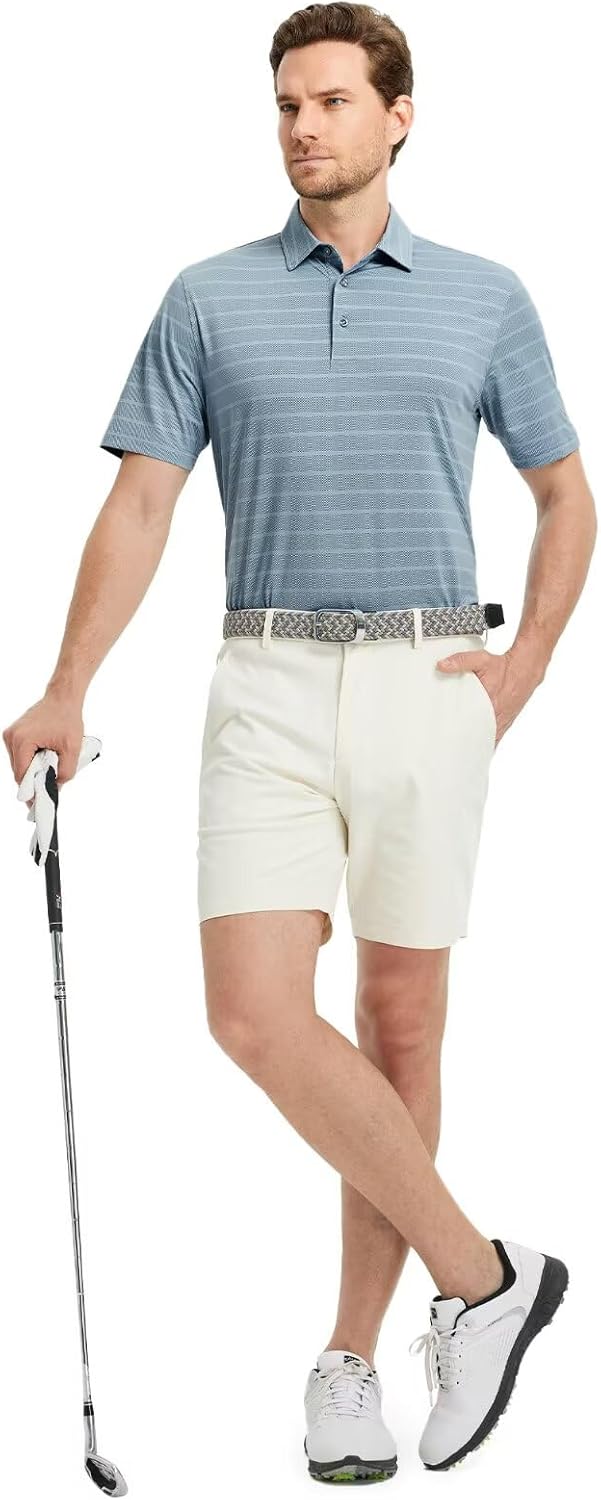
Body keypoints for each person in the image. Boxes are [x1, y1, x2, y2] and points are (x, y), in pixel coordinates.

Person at [3, 3, 596, 1483]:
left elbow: (562, 495)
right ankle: (484, 1280)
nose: (302, 126)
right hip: (263, 679)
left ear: (400, 116)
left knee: (402, 1029)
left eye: (331, 100)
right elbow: (143, 502)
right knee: (255, 1014)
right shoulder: (207, 297)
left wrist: (522, 664)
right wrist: (68, 683)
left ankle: (350, 1362)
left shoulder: (485, 297)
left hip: (428, 677)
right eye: (285, 103)